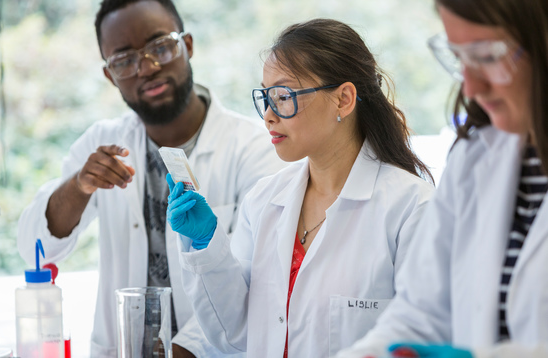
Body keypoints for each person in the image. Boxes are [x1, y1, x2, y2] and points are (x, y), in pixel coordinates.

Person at [17, 0, 285, 357]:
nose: (147, 68)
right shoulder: (103, 143)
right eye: (125, 60)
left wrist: (179, 351)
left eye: (161, 47)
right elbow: (34, 249)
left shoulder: (254, 149)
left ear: (187, 45)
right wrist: (79, 186)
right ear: (110, 76)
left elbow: (252, 282)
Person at [165, 19, 434, 357]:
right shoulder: (263, 201)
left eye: (283, 96)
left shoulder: (412, 209)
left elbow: (422, 336)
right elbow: (233, 336)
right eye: (265, 97)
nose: (268, 115)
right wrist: (207, 245)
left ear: (344, 99)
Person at [336, 0, 548, 357]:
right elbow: (421, 311)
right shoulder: (474, 159)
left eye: (488, 56)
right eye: (460, 57)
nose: (471, 88)